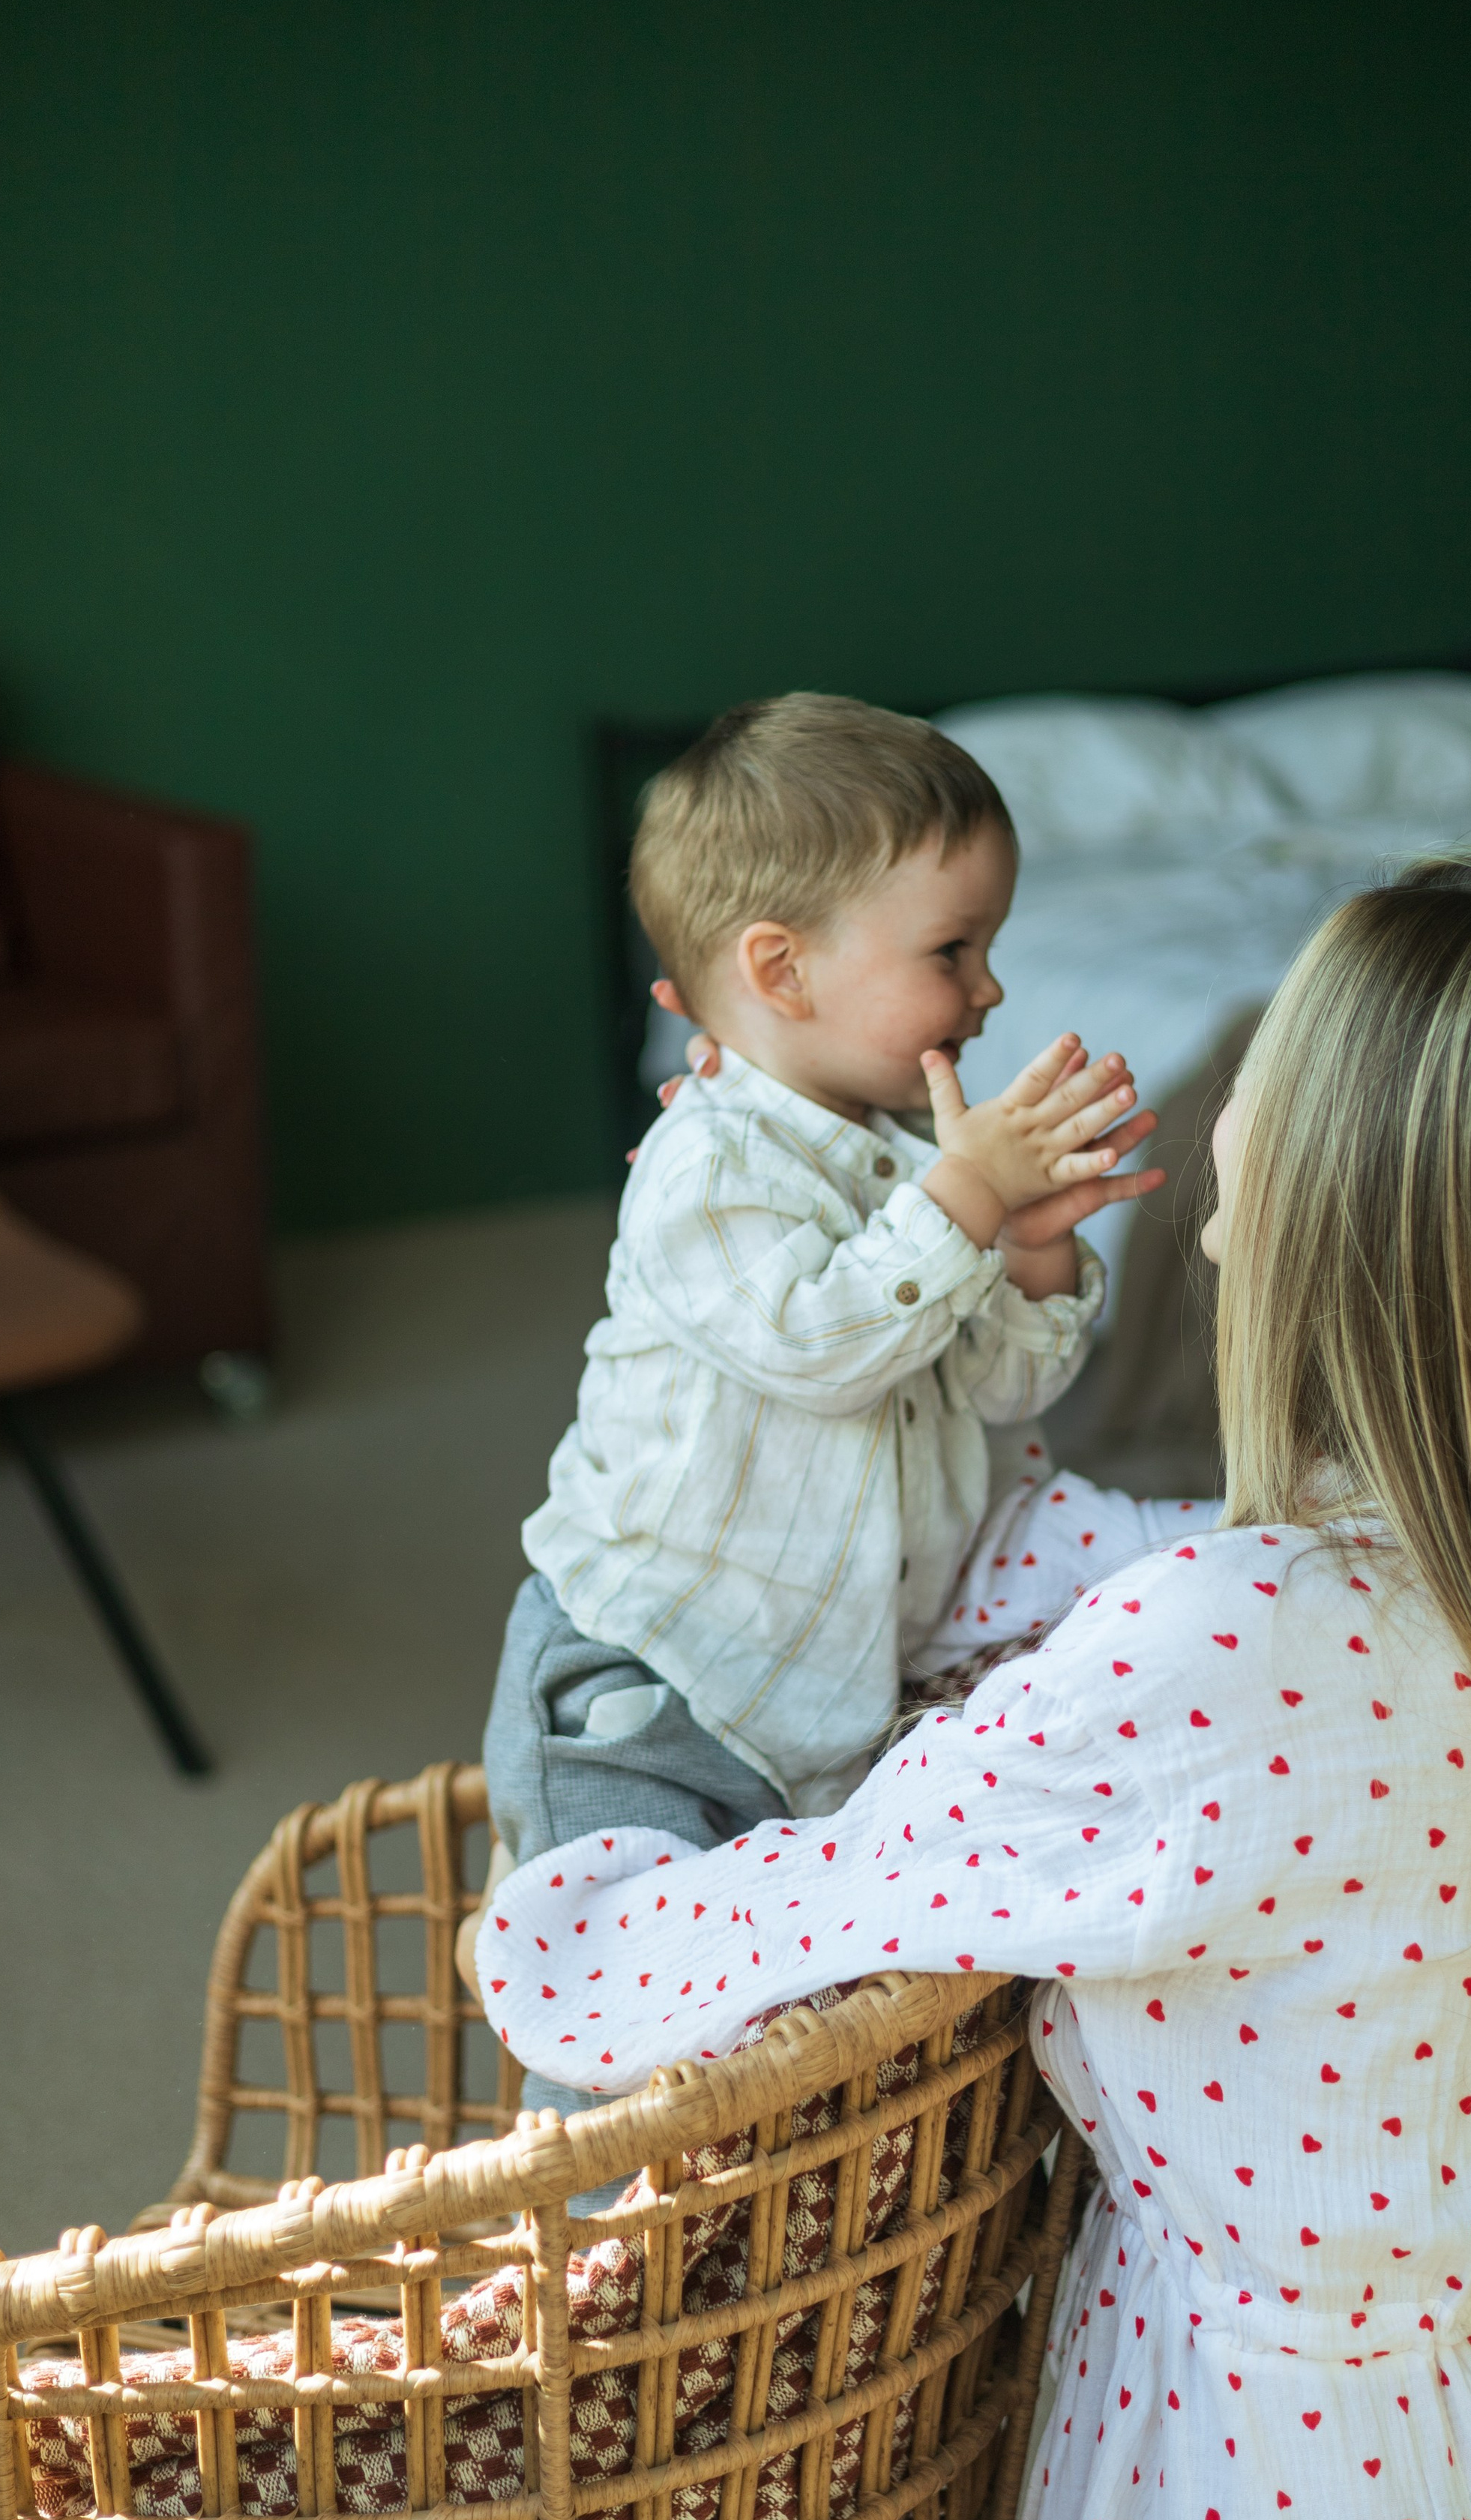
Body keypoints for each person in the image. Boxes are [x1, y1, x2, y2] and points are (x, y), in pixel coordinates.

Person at [478, 854, 1471, 2520]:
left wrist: (560, 1880)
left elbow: (680, 1951)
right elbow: (1027, 1567)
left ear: (1348, 1179)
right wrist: (951, 1268)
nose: (1221, 1098)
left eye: (1266, 1054)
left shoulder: (1229, 1652)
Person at [478, 692, 1167, 2132]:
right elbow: (823, 1345)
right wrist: (966, 1201)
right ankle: (586, 2286)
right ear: (780, 971)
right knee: (622, 2022)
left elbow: (1000, 1387)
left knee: (771, 2041)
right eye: (951, 951)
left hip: (817, 1688)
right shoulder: (707, 1160)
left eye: (989, 948)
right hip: (643, 1685)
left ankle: (753, 2273)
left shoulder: (915, 1156)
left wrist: (1032, 1242)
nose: (987, 991)